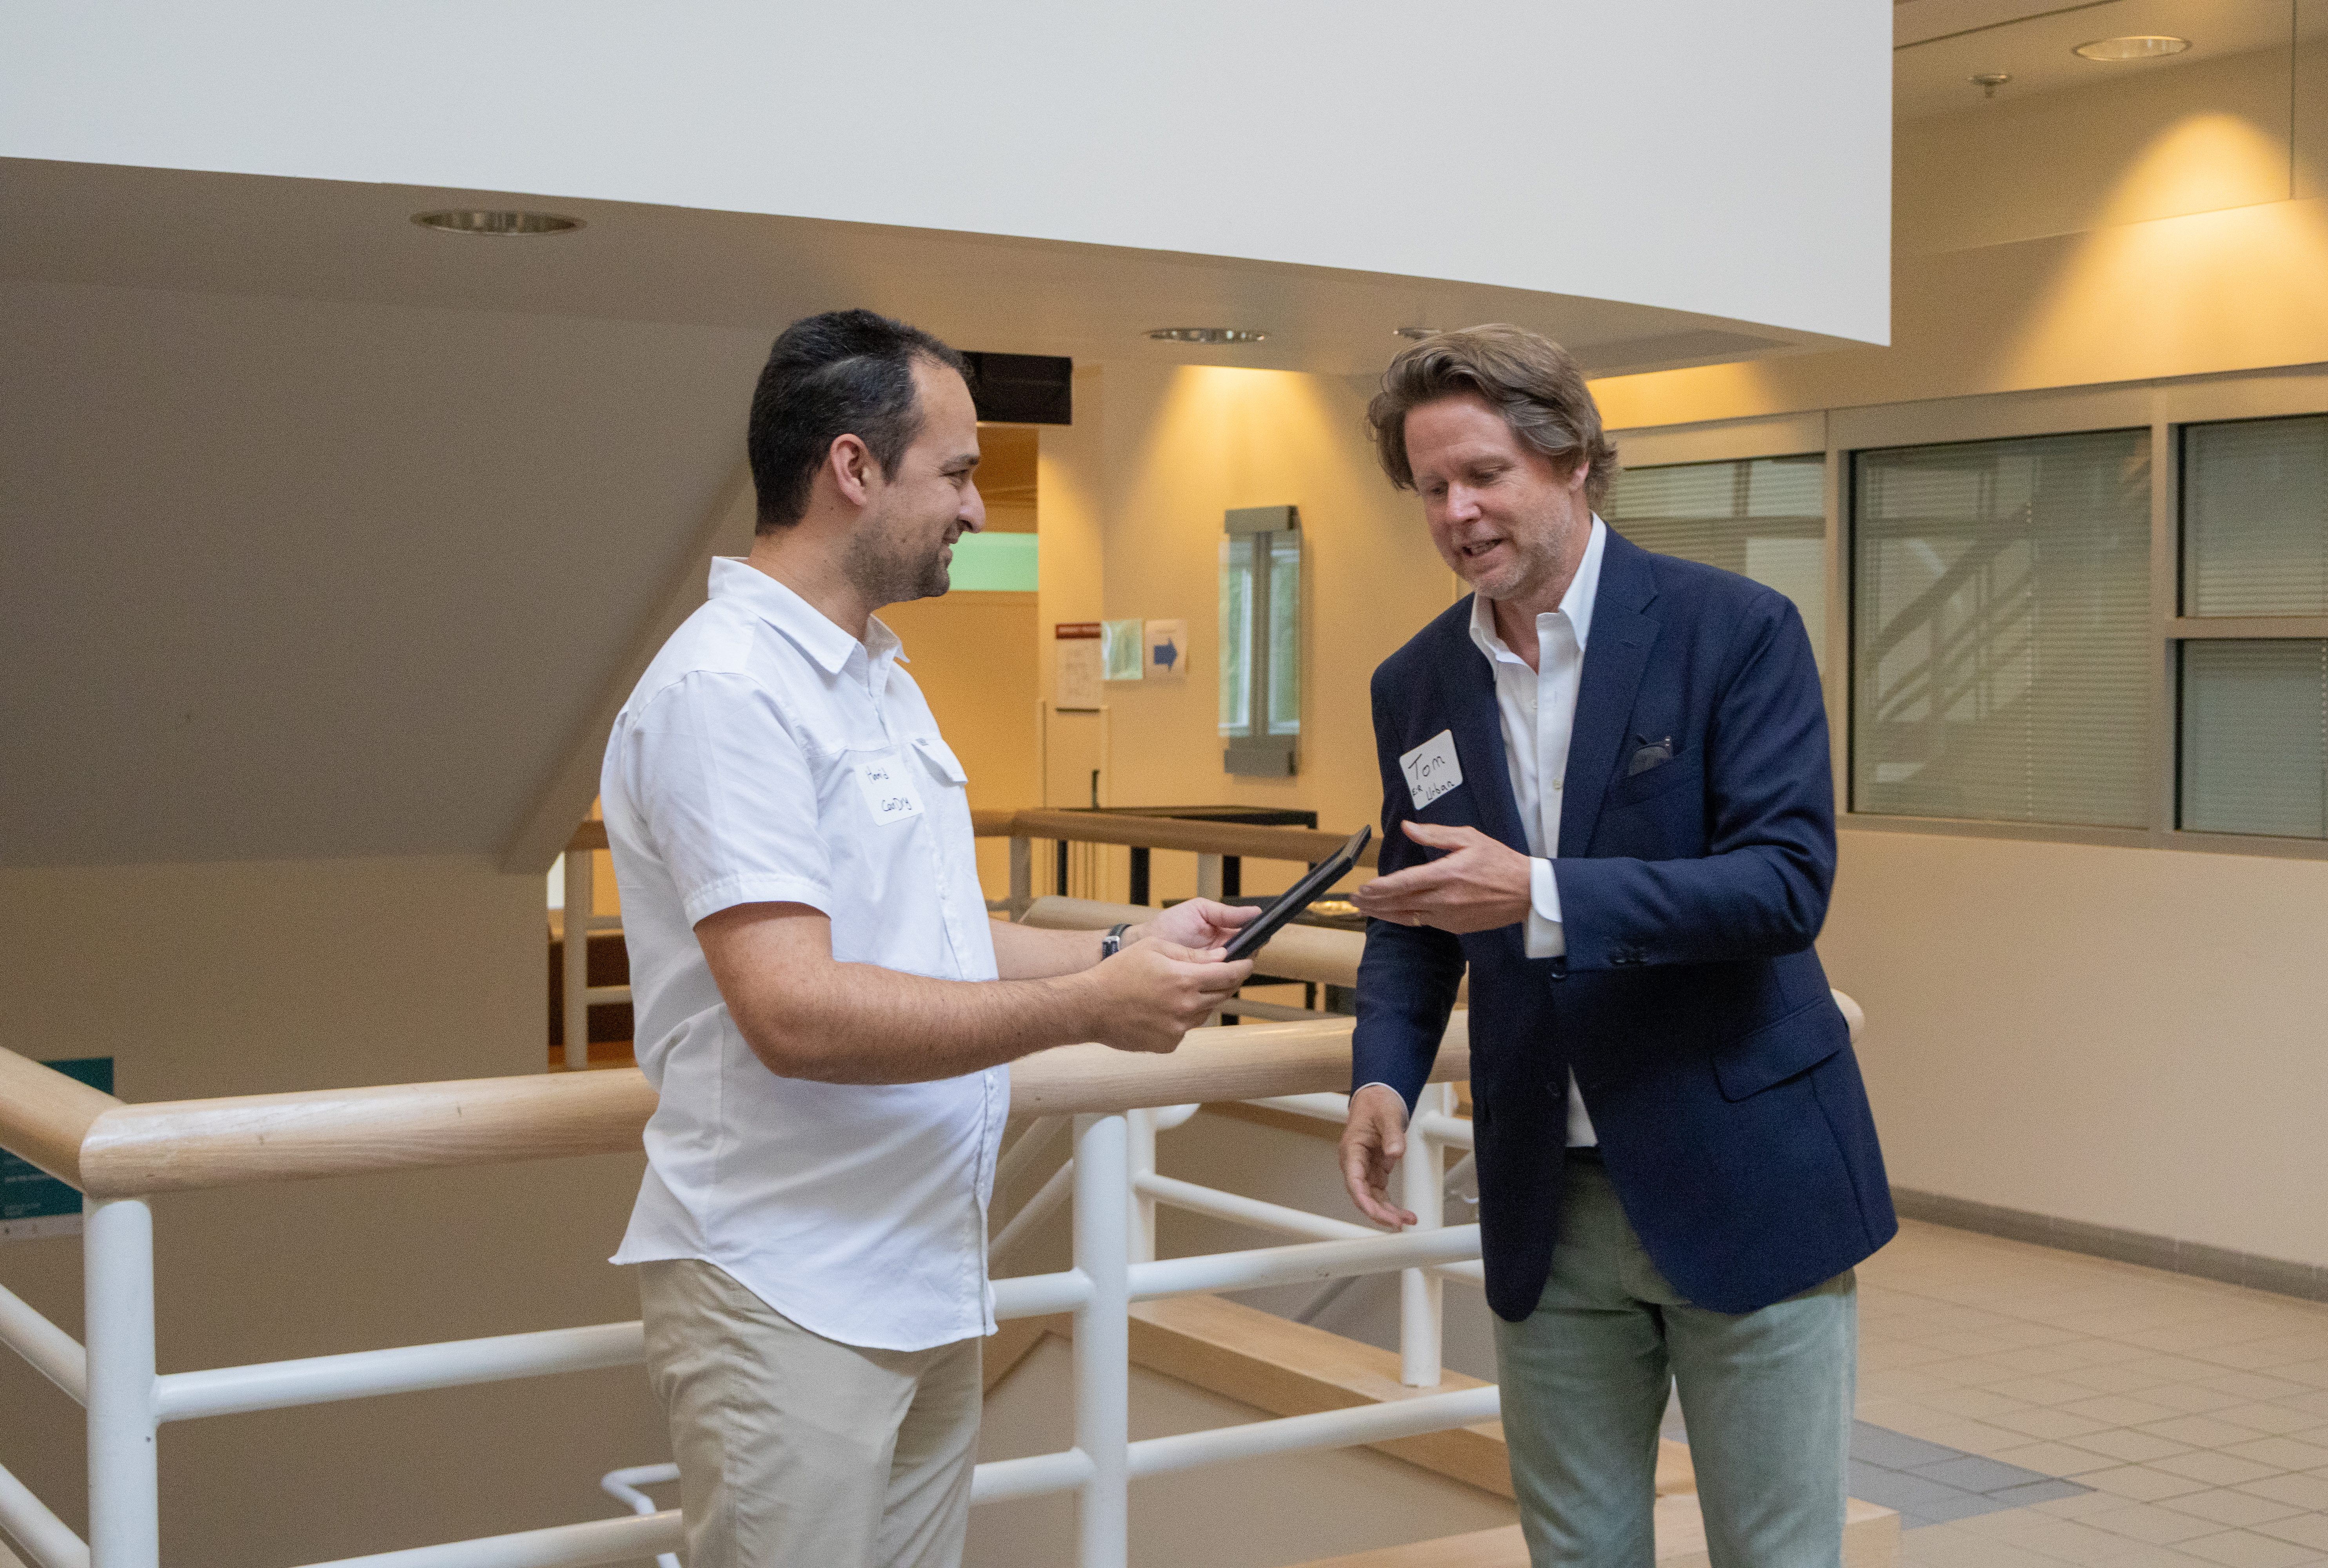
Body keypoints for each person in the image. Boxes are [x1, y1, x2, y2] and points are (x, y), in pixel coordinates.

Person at [599, 309, 1255, 1568]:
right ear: (853, 468)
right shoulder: (725, 687)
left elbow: (940, 935)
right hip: (786, 1292)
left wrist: (1123, 948)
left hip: (918, 1275)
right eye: (956, 474)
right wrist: (1090, 1015)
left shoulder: (875, 676)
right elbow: (795, 1010)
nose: (978, 511)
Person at [1337, 324, 1895, 1568]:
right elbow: (1421, 914)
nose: (1459, 512)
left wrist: (1538, 891)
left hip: (1743, 1175)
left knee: (1776, 1555)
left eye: (1486, 474)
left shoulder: (1732, 630)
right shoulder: (1416, 685)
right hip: (1551, 1195)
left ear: (1575, 458)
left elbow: (1782, 886)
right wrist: (1383, 1071)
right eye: (1433, 488)